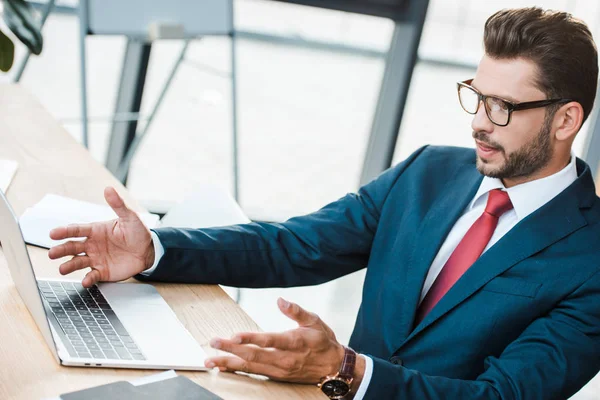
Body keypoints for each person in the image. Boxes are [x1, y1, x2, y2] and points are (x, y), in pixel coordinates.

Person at [48, 7, 600, 399]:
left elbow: (500, 396)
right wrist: (155, 250)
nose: (480, 122)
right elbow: (295, 245)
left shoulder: (590, 259)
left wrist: (350, 372)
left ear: (566, 120)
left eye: (503, 106)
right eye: (477, 97)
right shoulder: (430, 170)